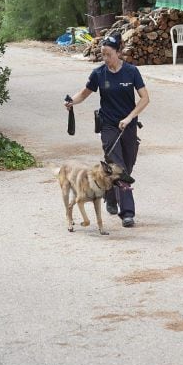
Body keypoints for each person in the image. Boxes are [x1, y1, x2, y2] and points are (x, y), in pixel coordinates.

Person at [64, 34, 150, 227]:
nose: (105, 58)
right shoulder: (99, 73)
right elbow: (84, 93)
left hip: (128, 125)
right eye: (103, 54)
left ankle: (110, 194)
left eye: (108, 54)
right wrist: (72, 102)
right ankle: (127, 213)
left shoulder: (131, 72)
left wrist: (129, 118)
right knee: (120, 166)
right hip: (109, 126)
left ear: (118, 52)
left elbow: (145, 98)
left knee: (128, 164)